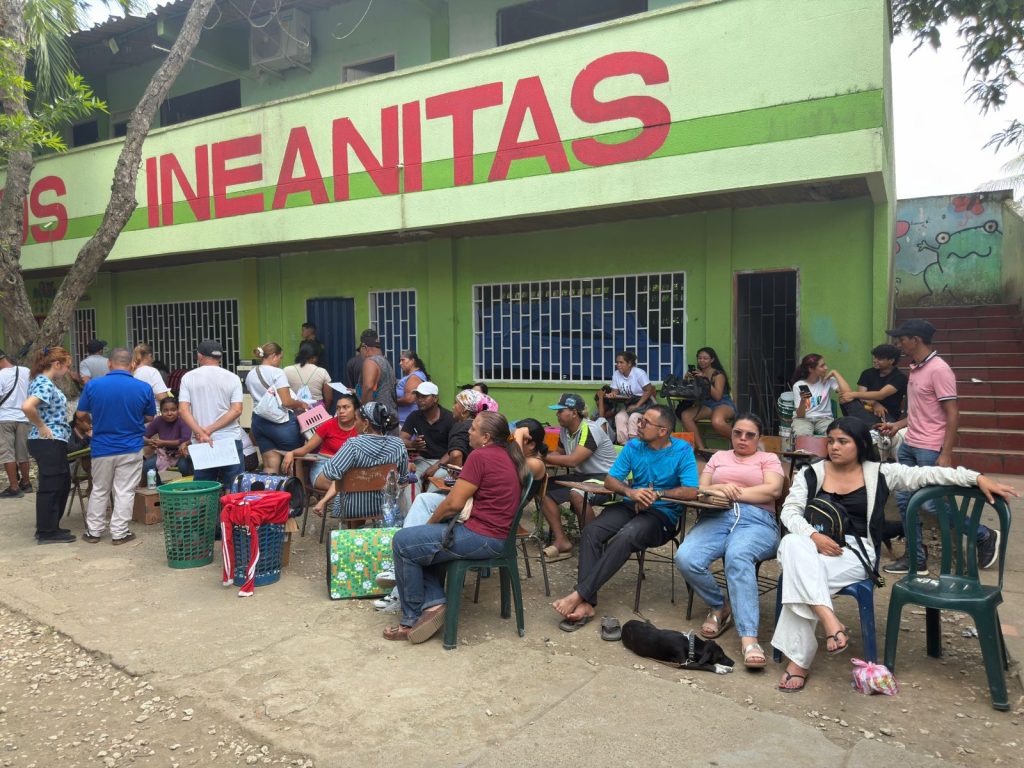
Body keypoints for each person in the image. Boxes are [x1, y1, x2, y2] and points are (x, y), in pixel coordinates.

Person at [771, 417, 1017, 692]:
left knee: (798, 575)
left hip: (854, 553)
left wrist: (976, 477)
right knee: (792, 543)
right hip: (813, 545)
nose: (834, 447)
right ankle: (829, 619)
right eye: (831, 441)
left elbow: (928, 475)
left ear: (861, 444)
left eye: (842, 441)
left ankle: (798, 663)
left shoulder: (880, 473)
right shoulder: (812, 473)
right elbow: (789, 512)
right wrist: (814, 536)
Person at [384, 411, 530, 643]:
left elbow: (453, 503)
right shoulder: (508, 454)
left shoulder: (480, 456)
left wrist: (428, 526)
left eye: (473, 429)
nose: (468, 432)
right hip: (494, 535)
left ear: (486, 437)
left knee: (403, 541)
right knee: (421, 546)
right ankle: (433, 603)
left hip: (483, 537)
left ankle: (411, 618)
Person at [552, 404, 699, 629]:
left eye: (645, 422)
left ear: (663, 431)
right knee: (592, 531)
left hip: (662, 515)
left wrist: (658, 494)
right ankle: (587, 603)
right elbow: (611, 480)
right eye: (640, 420)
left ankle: (579, 595)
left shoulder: (682, 450)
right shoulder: (633, 446)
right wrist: (631, 492)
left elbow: (691, 491)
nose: (639, 425)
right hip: (631, 504)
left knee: (626, 536)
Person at [877, 319, 1001, 574]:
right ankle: (916, 559)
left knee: (930, 504)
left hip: (930, 448)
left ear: (916, 340)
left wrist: (946, 453)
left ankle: (983, 535)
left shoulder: (939, 370)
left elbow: (952, 413)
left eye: (902, 338)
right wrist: (898, 425)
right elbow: (920, 411)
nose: (898, 343)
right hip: (910, 444)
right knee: (905, 502)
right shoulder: (915, 368)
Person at [674, 413, 784, 669]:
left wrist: (732, 492)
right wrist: (717, 490)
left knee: (738, 555)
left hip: (757, 520)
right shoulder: (719, 457)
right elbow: (701, 488)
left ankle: (749, 638)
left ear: (758, 437)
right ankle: (720, 606)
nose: (743, 438)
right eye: (737, 433)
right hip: (717, 516)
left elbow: (773, 490)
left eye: (750, 435)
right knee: (686, 557)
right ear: (731, 434)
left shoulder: (768, 459)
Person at [77, 348, 156, 545]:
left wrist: (91, 425)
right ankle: (119, 533)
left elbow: (80, 415)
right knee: (125, 490)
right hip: (131, 447)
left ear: (109, 363)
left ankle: (94, 532)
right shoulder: (143, 387)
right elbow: (150, 417)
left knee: (99, 489)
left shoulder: (93, 385)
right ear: (132, 365)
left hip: (102, 447)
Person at [540, 393, 617, 560]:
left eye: (561, 411)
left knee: (577, 494)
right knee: (542, 488)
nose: (557, 414)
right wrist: (538, 459)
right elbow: (559, 454)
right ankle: (561, 540)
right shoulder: (565, 430)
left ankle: (593, 543)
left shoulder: (589, 429)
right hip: (582, 476)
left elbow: (573, 460)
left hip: (607, 479)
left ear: (574, 413)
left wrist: (542, 457)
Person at [314, 402, 408, 521]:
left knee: (345, 482)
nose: (354, 423)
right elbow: (403, 479)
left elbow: (330, 472)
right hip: (385, 507)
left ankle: (354, 530)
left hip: (353, 509)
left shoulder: (353, 445)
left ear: (366, 423)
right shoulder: (398, 445)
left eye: (356, 420)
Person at [22, 347, 75, 544]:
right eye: (67, 366)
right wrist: (41, 426)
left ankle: (51, 526)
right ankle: (46, 531)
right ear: (57, 364)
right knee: (52, 485)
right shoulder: (44, 382)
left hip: (53, 440)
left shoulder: (43, 382)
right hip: (47, 441)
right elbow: (27, 406)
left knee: (60, 483)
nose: (68, 371)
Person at [178, 340, 245, 491]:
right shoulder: (233, 378)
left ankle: (206, 508)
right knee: (233, 488)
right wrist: (210, 429)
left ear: (199, 356)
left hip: (201, 442)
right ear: (219, 357)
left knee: (203, 489)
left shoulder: (188, 377)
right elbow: (236, 410)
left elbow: (183, 410)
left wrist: (201, 432)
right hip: (229, 439)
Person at [245, 343, 309, 474]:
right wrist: (301, 404)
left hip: (259, 422)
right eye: (280, 358)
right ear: (274, 356)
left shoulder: (251, 374)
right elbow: (286, 402)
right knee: (293, 465)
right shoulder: (277, 372)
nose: (280, 361)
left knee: (269, 465)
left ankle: (270, 488)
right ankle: (295, 488)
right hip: (281, 424)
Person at [282, 392, 362, 493]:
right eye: (338, 408)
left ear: (355, 410)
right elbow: (306, 449)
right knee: (344, 485)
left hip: (349, 470)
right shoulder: (328, 425)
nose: (341, 411)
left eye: (346, 407)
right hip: (324, 467)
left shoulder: (362, 427)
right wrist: (291, 453)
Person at [679, 347, 737, 451]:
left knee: (717, 422)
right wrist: (686, 378)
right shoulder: (697, 373)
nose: (702, 360)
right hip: (707, 404)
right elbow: (689, 390)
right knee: (686, 415)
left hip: (722, 404)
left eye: (705, 358)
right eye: (700, 358)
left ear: (712, 360)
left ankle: (740, 443)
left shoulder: (718, 374)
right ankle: (702, 449)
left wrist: (705, 380)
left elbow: (717, 397)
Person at [596, 350, 657, 444]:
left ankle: (635, 444)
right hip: (629, 404)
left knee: (634, 417)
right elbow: (615, 390)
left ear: (629, 364)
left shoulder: (639, 373)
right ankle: (623, 444)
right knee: (619, 417)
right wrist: (613, 394)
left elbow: (648, 390)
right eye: (617, 362)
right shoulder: (616, 374)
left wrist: (637, 406)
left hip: (645, 404)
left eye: (621, 362)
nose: (618, 365)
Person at [838, 344, 907, 423]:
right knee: (844, 399)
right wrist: (874, 403)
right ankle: (863, 425)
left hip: (886, 414)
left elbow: (881, 395)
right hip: (867, 409)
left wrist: (853, 394)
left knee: (850, 399)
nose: (875, 360)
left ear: (891, 361)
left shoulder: (899, 377)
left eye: (879, 359)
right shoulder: (867, 373)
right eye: (875, 357)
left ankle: (864, 426)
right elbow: (862, 395)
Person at [399, 381, 454, 479]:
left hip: (444, 462)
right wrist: (412, 444)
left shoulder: (450, 418)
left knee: (437, 478)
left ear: (435, 398)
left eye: (424, 397)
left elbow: (454, 450)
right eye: (418, 396)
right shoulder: (414, 416)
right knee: (409, 477)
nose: (419, 400)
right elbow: (401, 439)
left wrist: (435, 467)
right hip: (423, 460)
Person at [790, 353, 852, 437]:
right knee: (802, 436)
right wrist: (802, 401)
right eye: (822, 366)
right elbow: (800, 415)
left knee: (834, 435)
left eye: (825, 365)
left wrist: (835, 373)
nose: (826, 368)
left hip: (824, 419)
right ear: (811, 369)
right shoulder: (799, 385)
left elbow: (848, 394)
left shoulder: (828, 381)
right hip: (804, 420)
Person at [0, 349, 32, 498]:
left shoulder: (1, 375)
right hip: (24, 417)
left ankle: (14, 487)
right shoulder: (26, 371)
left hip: (5, 418)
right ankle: (26, 483)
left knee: (7, 453)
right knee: (23, 452)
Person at [142, 396, 193, 485]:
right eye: (165, 411)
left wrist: (163, 443)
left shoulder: (183, 420)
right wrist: (150, 442)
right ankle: (158, 488)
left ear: (178, 410)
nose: (169, 413)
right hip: (164, 453)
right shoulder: (158, 420)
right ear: (161, 412)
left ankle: (189, 486)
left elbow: (185, 440)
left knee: (184, 466)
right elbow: (144, 435)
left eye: (173, 410)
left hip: (182, 453)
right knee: (148, 466)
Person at [356, 330, 398, 417]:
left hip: (377, 418)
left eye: (360, 350)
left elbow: (368, 387)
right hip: (391, 416)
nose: (360, 354)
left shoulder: (370, 361)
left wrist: (364, 414)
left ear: (365, 348)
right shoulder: (386, 362)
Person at [284, 342, 333, 409]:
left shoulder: (286, 370)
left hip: (294, 408)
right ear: (314, 357)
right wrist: (324, 410)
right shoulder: (322, 372)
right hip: (317, 410)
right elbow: (329, 398)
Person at [131, 343, 170, 409]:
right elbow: (161, 396)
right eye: (152, 357)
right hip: (153, 411)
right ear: (149, 356)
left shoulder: (132, 371)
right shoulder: (151, 371)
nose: (153, 360)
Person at [395, 350, 430, 424]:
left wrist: (393, 402)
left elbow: (409, 399)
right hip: (404, 421)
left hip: (407, 422)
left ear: (412, 361)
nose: (400, 363)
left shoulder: (414, 377)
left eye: (403, 360)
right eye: (400, 361)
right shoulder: (412, 376)